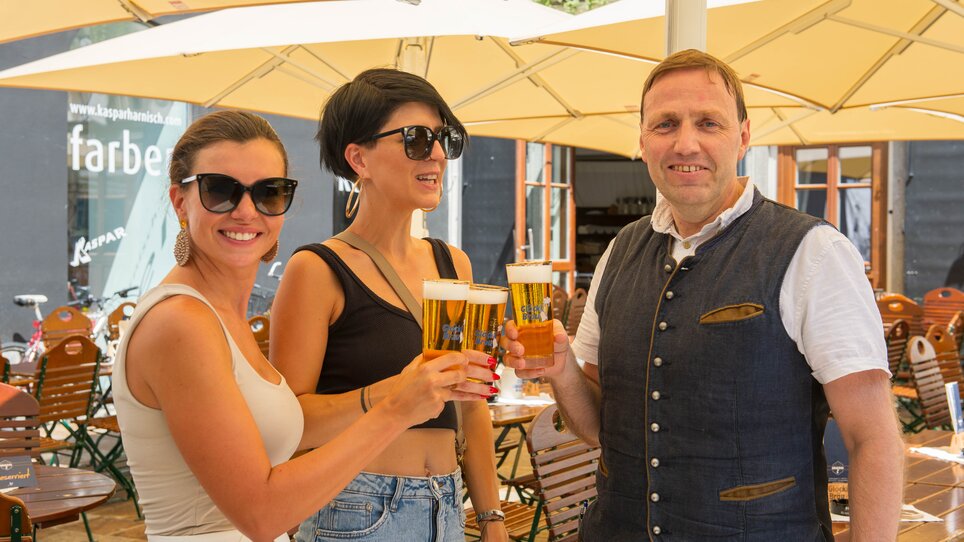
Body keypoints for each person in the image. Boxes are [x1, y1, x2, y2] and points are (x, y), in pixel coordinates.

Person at [504, 49, 903, 541]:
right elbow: (600, 429)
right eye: (665, 124)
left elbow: (873, 439)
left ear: (743, 136)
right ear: (644, 141)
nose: (685, 143)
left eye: (708, 123)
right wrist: (560, 369)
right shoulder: (619, 252)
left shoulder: (813, 253)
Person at [113, 110, 483, 541]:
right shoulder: (180, 323)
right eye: (220, 191)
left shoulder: (219, 314)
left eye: (269, 193)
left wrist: (402, 388)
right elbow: (263, 514)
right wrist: (395, 411)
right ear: (180, 201)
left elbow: (290, 431)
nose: (247, 211)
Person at [270, 69, 508, 542]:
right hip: (357, 509)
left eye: (444, 138)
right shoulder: (317, 270)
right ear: (358, 158)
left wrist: (491, 517)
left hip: (447, 505)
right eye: (417, 139)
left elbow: (472, 409)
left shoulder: (452, 263)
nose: (438, 154)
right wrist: (393, 395)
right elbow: (289, 427)